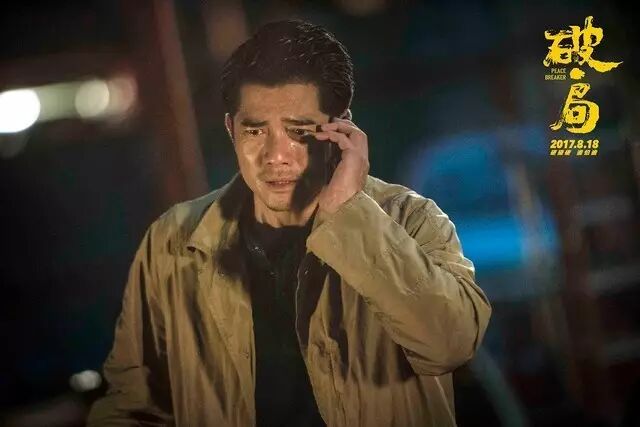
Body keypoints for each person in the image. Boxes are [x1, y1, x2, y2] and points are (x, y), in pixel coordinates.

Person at [87, 19, 491, 427]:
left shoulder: (410, 219)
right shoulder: (174, 240)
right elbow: (133, 404)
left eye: (299, 132)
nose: (275, 156)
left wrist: (351, 215)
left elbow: (451, 343)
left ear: (342, 129)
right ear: (230, 129)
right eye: (255, 131)